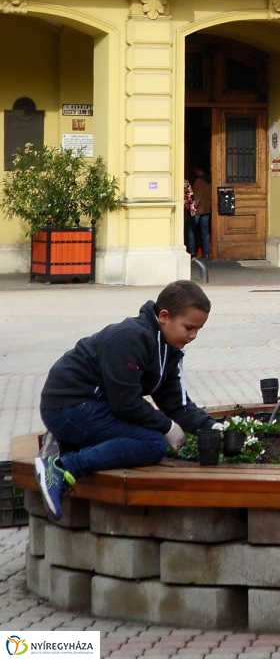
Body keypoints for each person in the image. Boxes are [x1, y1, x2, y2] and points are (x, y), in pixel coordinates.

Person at [35, 280, 220, 522]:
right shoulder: (130, 338)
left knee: (149, 437)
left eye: (198, 329)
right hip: (67, 407)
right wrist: (166, 426)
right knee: (152, 444)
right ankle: (61, 467)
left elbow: (175, 403)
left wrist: (212, 427)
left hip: (95, 406)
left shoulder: (168, 349)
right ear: (164, 316)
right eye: (189, 327)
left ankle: (65, 443)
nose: (193, 336)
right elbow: (126, 404)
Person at [191, 165, 212, 259]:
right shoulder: (210, 181)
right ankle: (206, 252)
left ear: (198, 170)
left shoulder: (198, 182)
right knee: (205, 231)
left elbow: (197, 197)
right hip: (206, 209)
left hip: (198, 210)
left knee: (191, 230)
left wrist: (193, 207)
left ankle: (191, 251)